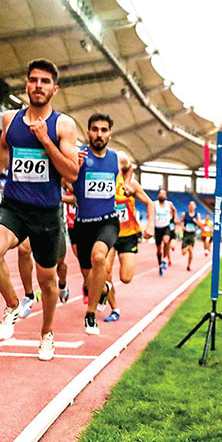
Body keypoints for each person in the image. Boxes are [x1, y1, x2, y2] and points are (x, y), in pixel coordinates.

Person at [0, 58, 79, 361]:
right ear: (27, 84)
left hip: (47, 213)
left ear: (54, 89)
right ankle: (12, 304)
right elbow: (2, 149)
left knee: (47, 281)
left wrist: (44, 140)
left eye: (45, 81)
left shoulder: (63, 125)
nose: (38, 86)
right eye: (33, 80)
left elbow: (72, 173)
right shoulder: (10, 119)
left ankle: (47, 333)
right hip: (14, 206)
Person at [72, 112, 130, 335]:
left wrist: (125, 184)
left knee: (99, 258)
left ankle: (90, 315)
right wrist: (74, 170)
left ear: (110, 134)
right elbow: (67, 180)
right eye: (95, 129)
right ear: (88, 132)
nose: (99, 134)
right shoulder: (78, 154)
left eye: (104, 130)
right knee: (89, 280)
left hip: (108, 221)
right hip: (83, 223)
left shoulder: (117, 157)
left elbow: (128, 168)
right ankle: (103, 287)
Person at [102, 152, 155, 323]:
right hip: (108, 233)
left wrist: (150, 225)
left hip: (129, 235)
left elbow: (150, 203)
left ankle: (105, 287)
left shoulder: (131, 185)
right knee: (104, 271)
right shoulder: (101, 182)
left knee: (125, 278)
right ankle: (114, 307)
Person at [153, 189, 178, 276]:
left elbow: (174, 210)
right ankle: (160, 264)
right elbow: (150, 211)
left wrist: (175, 217)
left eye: (163, 194)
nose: (162, 195)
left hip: (166, 227)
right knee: (159, 250)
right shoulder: (154, 204)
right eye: (160, 194)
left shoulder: (169, 204)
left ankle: (164, 259)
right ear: (158, 195)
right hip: (157, 228)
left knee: (167, 241)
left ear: (166, 196)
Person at [180, 201, 201, 271]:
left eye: (193, 205)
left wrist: (196, 222)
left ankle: (188, 265)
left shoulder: (197, 215)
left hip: (192, 235)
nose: (191, 206)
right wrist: (182, 227)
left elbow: (200, 225)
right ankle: (188, 247)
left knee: (191, 252)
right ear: (188, 206)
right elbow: (180, 222)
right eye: (190, 205)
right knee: (183, 253)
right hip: (186, 234)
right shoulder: (184, 214)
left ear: (195, 206)